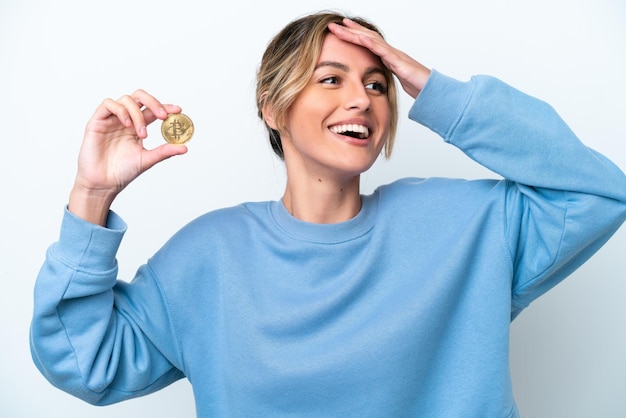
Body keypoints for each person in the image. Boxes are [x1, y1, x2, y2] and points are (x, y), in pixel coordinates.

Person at [30, 11, 626, 418]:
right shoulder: (208, 256)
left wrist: (433, 88)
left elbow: (598, 194)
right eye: (330, 79)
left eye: (376, 83)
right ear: (273, 106)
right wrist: (91, 192)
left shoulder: (465, 225)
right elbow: (86, 364)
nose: (360, 99)